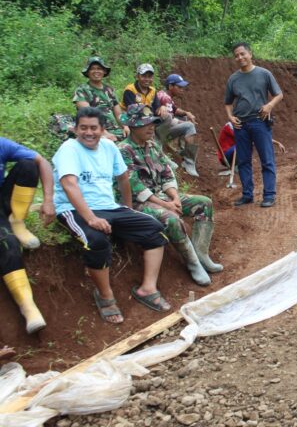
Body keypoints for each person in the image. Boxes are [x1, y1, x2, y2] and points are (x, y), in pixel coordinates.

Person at [53, 107, 170, 324]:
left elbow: (123, 178)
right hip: (73, 209)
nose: (89, 132)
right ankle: (105, 296)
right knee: (97, 240)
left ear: (102, 129)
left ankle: (148, 288)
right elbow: (69, 185)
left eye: (93, 128)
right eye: (83, 128)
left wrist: (127, 209)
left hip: (109, 207)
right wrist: (90, 218)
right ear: (75, 129)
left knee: (153, 228)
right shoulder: (68, 149)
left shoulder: (109, 147)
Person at [119, 105, 224, 287]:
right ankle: (192, 262)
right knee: (172, 219)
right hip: (140, 203)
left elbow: (167, 174)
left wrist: (174, 198)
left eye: (153, 123)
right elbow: (133, 186)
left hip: (162, 196)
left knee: (204, 203)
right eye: (146, 124)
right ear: (133, 126)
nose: (151, 128)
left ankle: (202, 254)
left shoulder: (152, 146)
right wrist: (166, 205)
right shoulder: (122, 150)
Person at [0, 137, 55, 334]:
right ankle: (27, 307)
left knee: (29, 165)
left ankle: (17, 221)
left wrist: (48, 200)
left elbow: (43, 162)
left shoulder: (2, 144)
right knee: (8, 244)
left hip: (2, 202)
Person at [224, 42, 284, 207]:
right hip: (240, 125)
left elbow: (279, 94)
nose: (240, 57)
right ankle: (247, 195)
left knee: (267, 159)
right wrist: (230, 116)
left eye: (242, 54)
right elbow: (228, 102)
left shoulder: (264, 74)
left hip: (259, 122)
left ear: (250, 54)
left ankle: (269, 195)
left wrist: (269, 105)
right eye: (236, 55)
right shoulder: (233, 78)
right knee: (243, 161)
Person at [73, 56, 129, 142]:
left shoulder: (110, 90)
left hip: (115, 130)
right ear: (88, 72)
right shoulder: (82, 90)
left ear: (104, 71)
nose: (96, 71)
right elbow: (88, 116)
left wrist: (125, 126)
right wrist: (104, 133)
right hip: (95, 131)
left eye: (99, 68)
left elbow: (118, 114)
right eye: (92, 69)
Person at [156, 74, 200, 177]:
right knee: (189, 126)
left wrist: (186, 113)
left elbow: (175, 110)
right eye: (179, 87)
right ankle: (188, 162)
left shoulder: (165, 96)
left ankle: (181, 151)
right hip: (158, 133)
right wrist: (184, 122)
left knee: (184, 119)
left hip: (158, 129)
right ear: (171, 86)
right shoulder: (165, 98)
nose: (182, 89)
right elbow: (169, 119)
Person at [216, 122, 285, 167]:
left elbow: (259, 138)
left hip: (232, 152)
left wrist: (277, 143)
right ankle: (238, 165)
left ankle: (240, 164)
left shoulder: (242, 127)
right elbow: (248, 139)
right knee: (244, 144)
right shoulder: (229, 127)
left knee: (247, 144)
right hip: (225, 157)